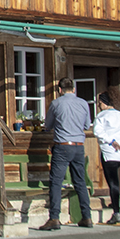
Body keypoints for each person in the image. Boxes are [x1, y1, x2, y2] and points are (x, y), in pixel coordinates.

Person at [38, 77, 93, 230]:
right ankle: (86, 216)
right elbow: (87, 125)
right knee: (80, 182)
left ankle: (54, 218)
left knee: (56, 182)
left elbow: (48, 125)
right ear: (73, 89)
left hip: (62, 145)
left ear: (60, 90)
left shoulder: (56, 103)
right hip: (78, 145)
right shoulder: (83, 103)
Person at [93, 92, 120, 223]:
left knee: (112, 182)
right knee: (115, 178)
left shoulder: (101, 116)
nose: (98, 105)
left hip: (109, 151)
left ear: (105, 102)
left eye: (100, 102)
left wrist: (111, 141)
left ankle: (116, 212)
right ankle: (116, 202)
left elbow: (97, 132)